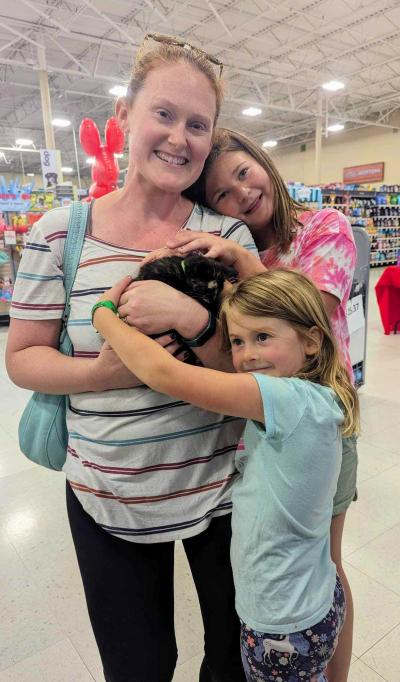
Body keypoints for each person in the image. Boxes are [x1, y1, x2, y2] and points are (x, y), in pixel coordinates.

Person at [6, 35, 258, 682]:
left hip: (225, 494)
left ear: (211, 138)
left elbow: (252, 373)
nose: (180, 138)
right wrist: (102, 373)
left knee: (231, 661)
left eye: (198, 125)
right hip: (106, 496)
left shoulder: (224, 235)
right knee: (140, 666)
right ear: (124, 116)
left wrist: (196, 323)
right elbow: (24, 359)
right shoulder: (60, 233)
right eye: (165, 114)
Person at [91, 267, 360, 682]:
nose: (248, 354)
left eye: (263, 337)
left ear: (310, 341)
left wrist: (103, 315)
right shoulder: (316, 398)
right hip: (315, 598)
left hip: (281, 623)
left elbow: (166, 375)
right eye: (237, 341)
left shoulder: (286, 399)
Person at [171, 128, 358, 682]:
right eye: (223, 195)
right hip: (256, 427)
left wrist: (237, 259)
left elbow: (311, 315)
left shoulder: (326, 227)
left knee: (324, 560)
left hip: (318, 424)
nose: (241, 196)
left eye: (243, 174)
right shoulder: (243, 249)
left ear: (262, 163)